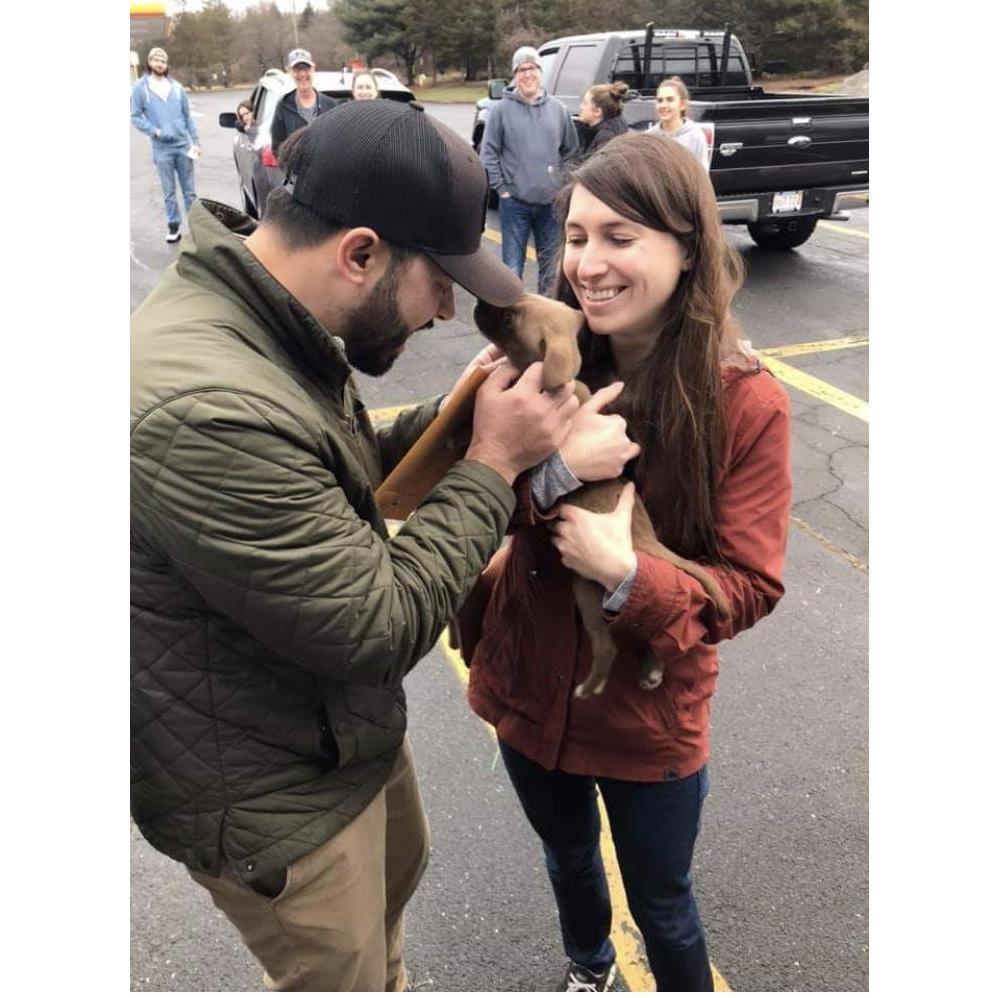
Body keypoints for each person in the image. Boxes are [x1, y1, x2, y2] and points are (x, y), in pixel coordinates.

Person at [130, 100, 587, 992]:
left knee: (384, 945)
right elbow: (374, 625)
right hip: (278, 795)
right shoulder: (206, 406)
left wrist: (465, 419)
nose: (448, 309)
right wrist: (494, 462)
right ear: (361, 253)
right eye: (441, 280)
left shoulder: (261, 319)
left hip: (330, 738)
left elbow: (323, 467)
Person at [467, 133, 792, 992]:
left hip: (648, 716)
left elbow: (750, 585)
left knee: (663, 900)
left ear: (687, 249)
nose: (588, 264)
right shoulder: (539, 365)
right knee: (568, 857)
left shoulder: (744, 400)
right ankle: (590, 968)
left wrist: (629, 576)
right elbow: (463, 502)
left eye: (621, 237)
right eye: (576, 237)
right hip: (528, 685)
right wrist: (555, 471)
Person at [480, 45, 579, 295]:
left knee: (550, 270)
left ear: (540, 72)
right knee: (511, 269)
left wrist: (562, 186)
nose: (527, 74)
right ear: (515, 75)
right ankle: (510, 314)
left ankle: (545, 315)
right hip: (514, 204)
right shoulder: (500, 111)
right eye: (521, 69)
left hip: (550, 206)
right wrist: (501, 189)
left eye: (532, 68)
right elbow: (488, 153)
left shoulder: (558, 110)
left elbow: (571, 152)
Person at [130, 46, 200, 243]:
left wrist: (195, 142)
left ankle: (196, 227)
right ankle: (174, 226)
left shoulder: (176, 88)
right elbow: (135, 117)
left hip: (183, 146)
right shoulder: (141, 88)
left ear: (166, 64)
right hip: (162, 149)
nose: (160, 64)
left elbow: (188, 117)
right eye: (156, 60)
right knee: (169, 191)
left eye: (163, 61)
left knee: (190, 191)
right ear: (150, 62)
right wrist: (155, 131)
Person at [270, 48, 339, 155]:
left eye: (306, 68)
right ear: (290, 72)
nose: (302, 74)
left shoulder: (331, 105)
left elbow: (339, 143)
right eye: (297, 69)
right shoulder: (283, 106)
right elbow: (277, 148)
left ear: (313, 69)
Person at [648, 76, 711, 172]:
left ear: (682, 105)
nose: (663, 105)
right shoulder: (649, 137)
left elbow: (702, 175)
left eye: (670, 100)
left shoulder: (695, 136)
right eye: (660, 100)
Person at [577, 83, 629, 157]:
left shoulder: (605, 139)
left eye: (585, 103)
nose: (581, 107)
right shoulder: (617, 121)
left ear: (597, 111)